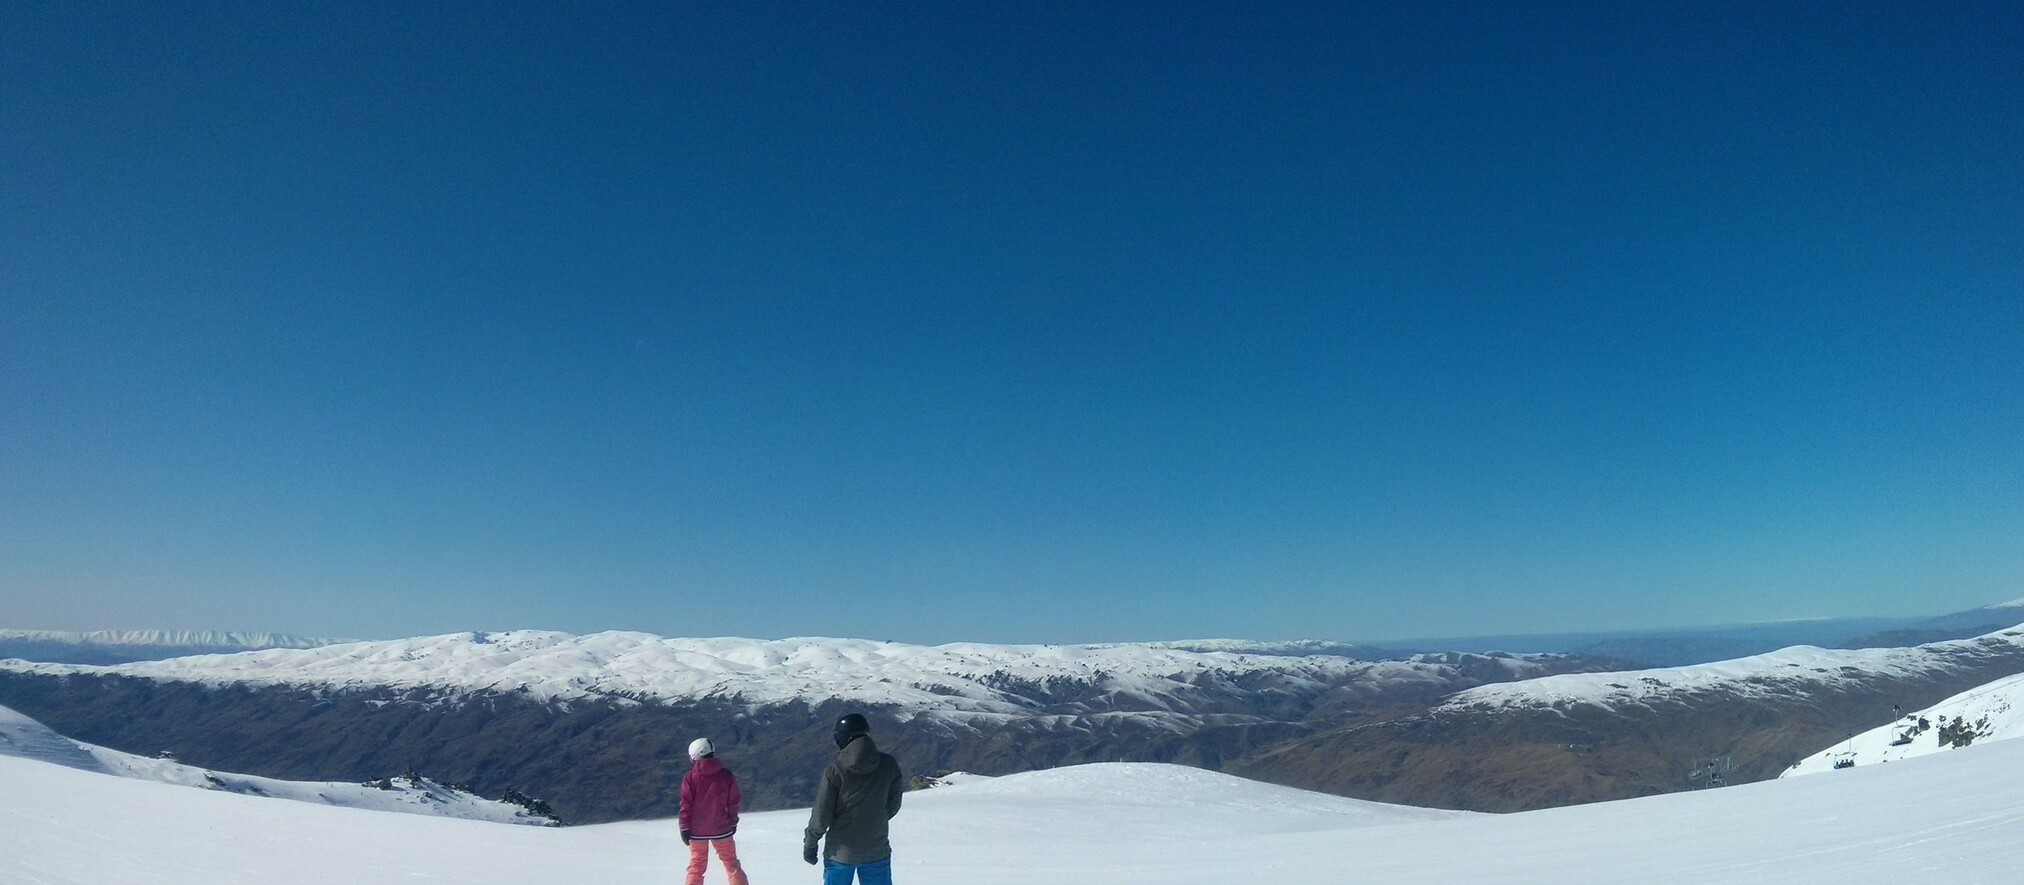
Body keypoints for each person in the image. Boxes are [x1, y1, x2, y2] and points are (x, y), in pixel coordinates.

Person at [803, 713, 904, 884]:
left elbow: (822, 813)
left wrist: (811, 842)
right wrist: (874, 819)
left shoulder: (835, 769)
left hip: (840, 853)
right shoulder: (888, 764)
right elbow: (894, 803)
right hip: (876, 849)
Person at [680, 737, 751, 885]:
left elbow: (686, 805)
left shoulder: (691, 778)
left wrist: (684, 827)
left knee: (696, 867)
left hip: (696, 831)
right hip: (722, 829)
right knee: (732, 865)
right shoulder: (726, 775)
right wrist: (732, 822)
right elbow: (733, 802)